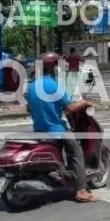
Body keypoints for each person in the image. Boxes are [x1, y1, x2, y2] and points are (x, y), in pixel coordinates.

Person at [26, 52, 97, 203]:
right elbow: (70, 107)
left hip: (39, 130)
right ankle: (82, 191)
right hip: (56, 130)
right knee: (77, 152)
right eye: (57, 65)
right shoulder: (53, 84)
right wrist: (84, 103)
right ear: (52, 67)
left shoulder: (32, 86)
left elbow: (28, 108)